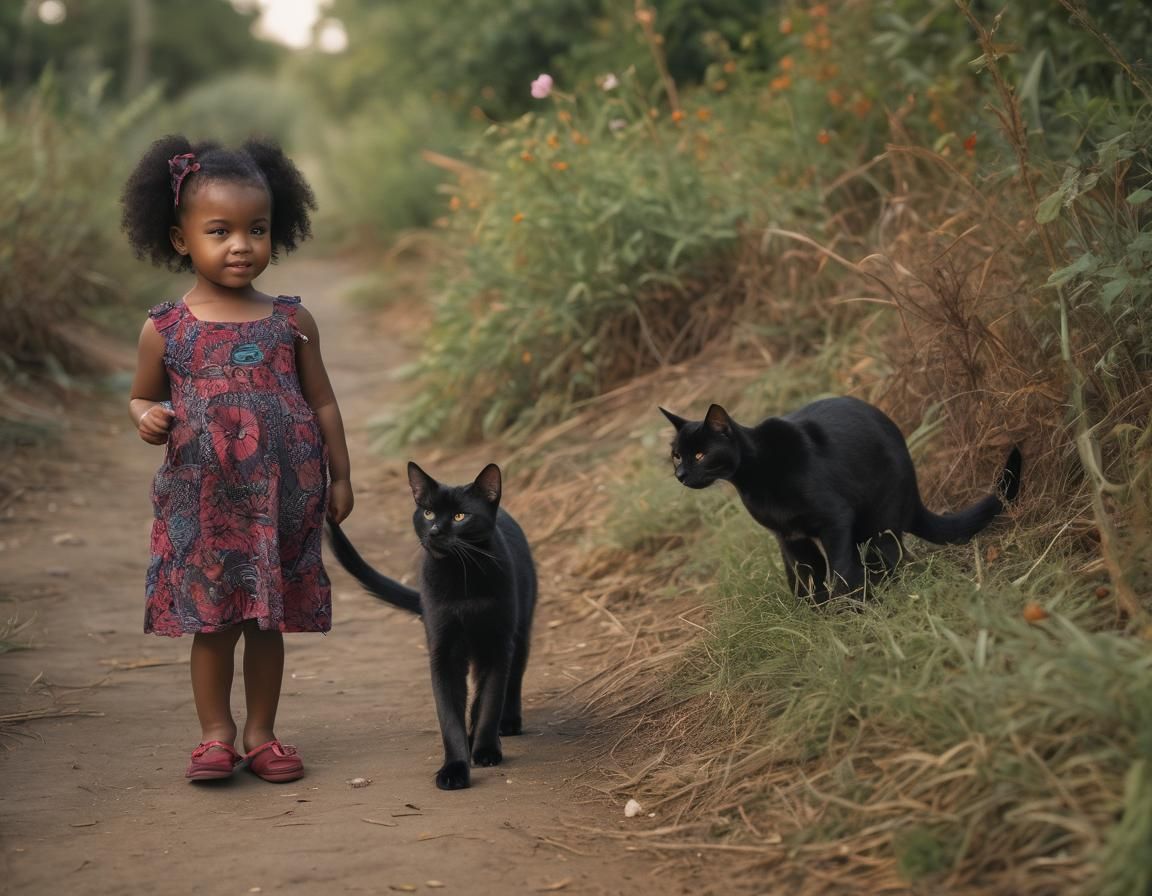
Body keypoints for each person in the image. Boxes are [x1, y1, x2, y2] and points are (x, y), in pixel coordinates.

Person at [122, 135, 353, 783]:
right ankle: (215, 735)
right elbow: (141, 395)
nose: (241, 245)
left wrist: (341, 475)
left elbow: (323, 401)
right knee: (214, 624)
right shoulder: (166, 328)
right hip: (205, 505)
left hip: (281, 501)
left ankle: (261, 734)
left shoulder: (291, 321)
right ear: (180, 238)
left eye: (257, 229)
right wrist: (147, 416)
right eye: (219, 231)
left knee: (266, 622)